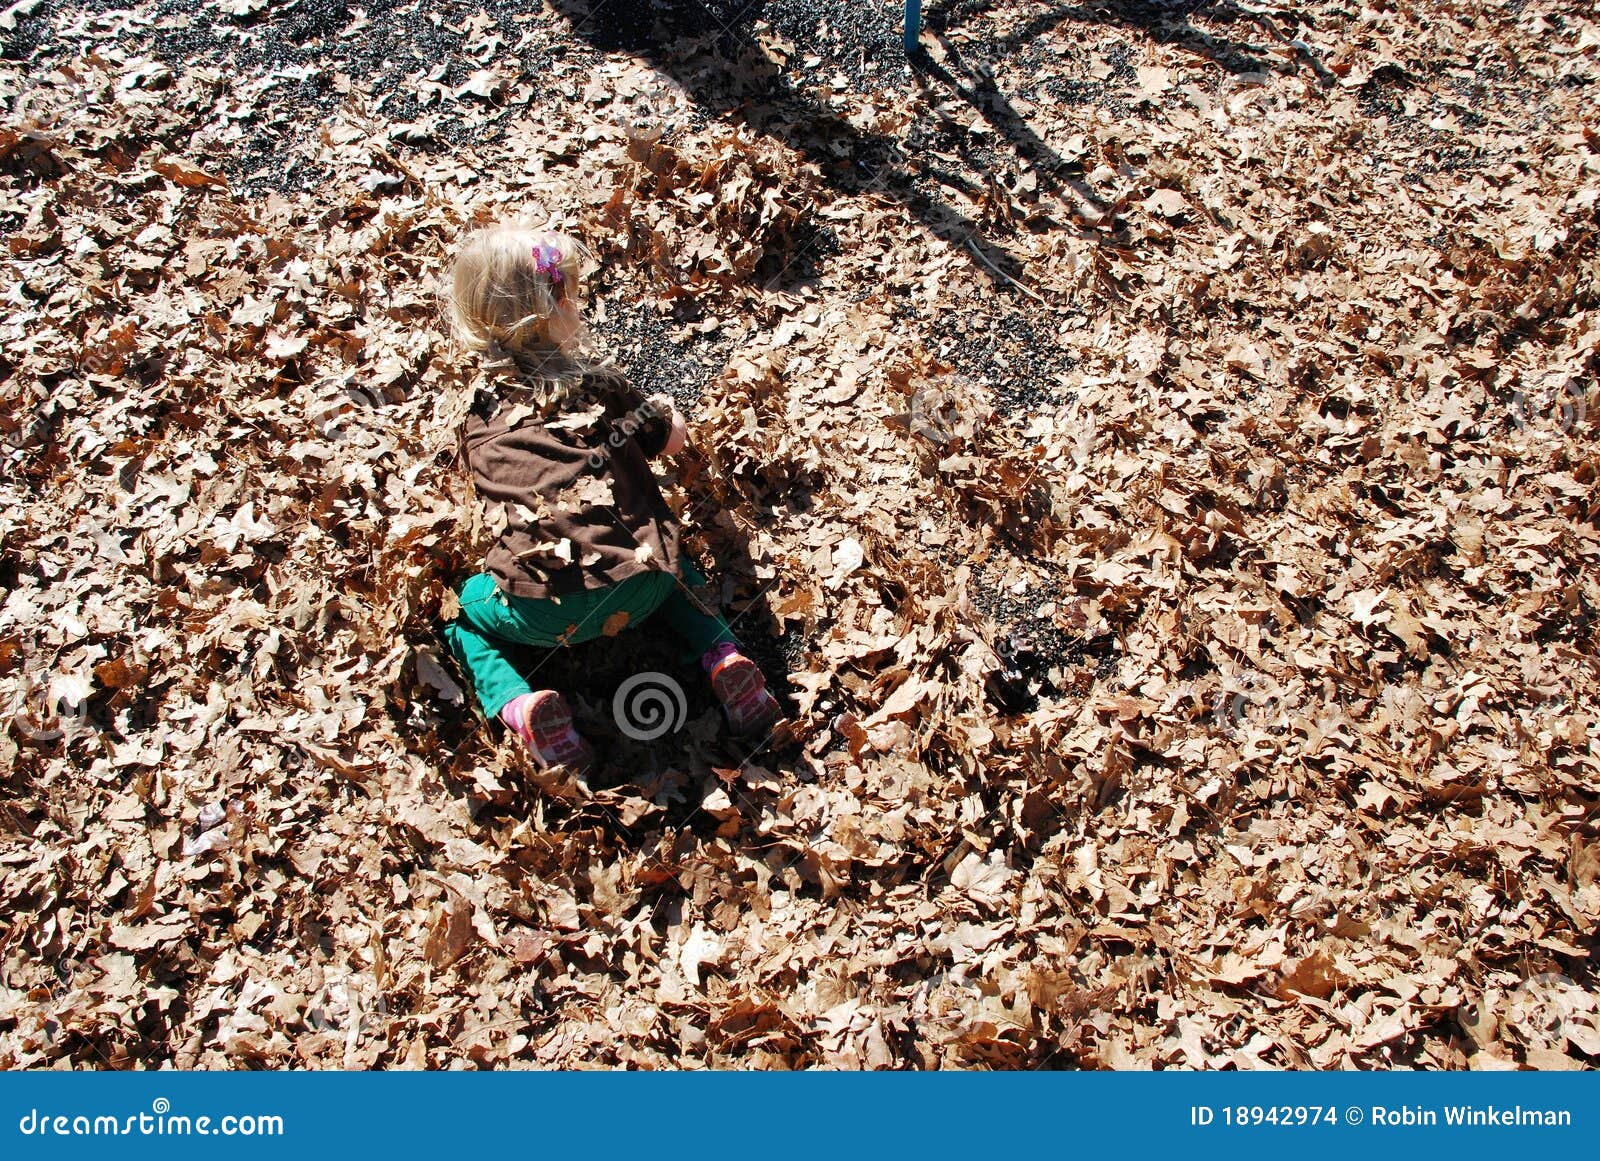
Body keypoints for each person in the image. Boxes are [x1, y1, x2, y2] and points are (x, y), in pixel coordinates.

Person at [439, 221, 780, 772]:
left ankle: (519, 704)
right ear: (554, 311)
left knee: (463, 610)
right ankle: (723, 659)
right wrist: (664, 412)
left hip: (542, 611)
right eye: (566, 293)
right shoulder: (599, 384)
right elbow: (672, 440)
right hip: (642, 585)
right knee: (673, 569)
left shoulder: (476, 415)